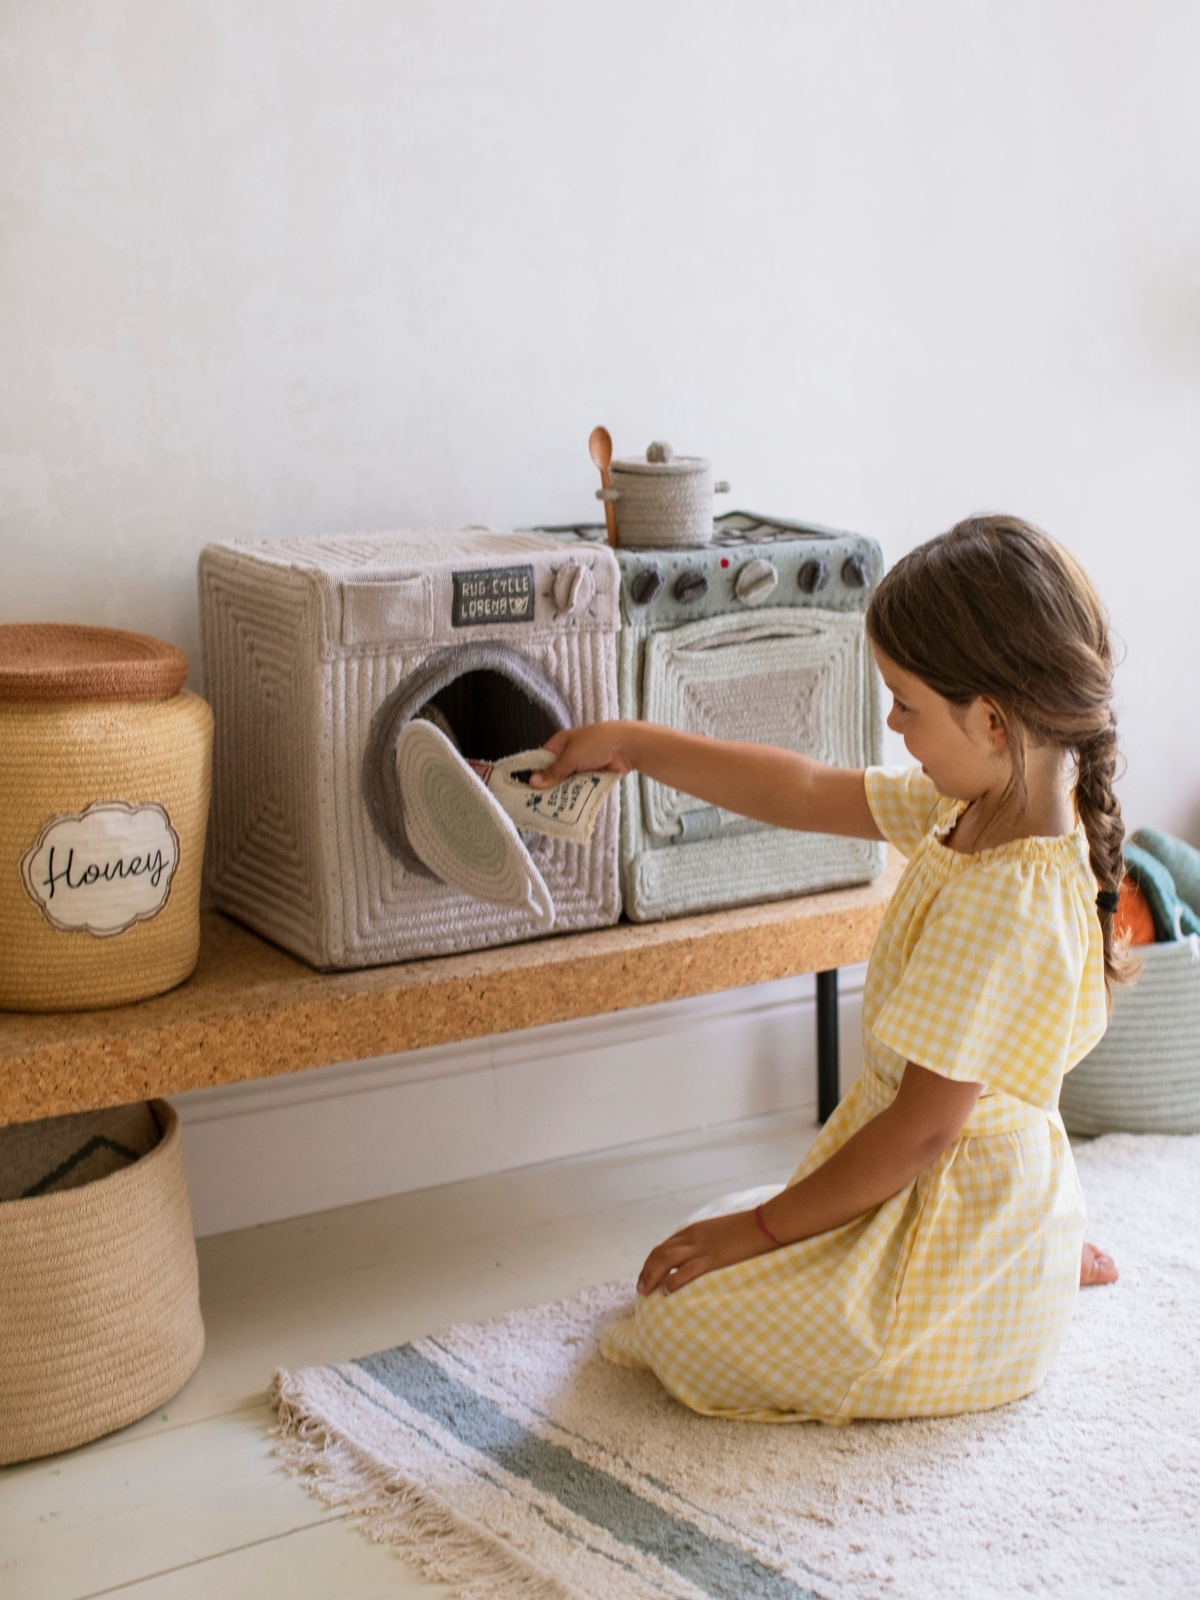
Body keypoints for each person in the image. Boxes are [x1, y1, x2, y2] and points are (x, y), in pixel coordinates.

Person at [528, 514, 1123, 1422]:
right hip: (944, 1174)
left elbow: (921, 1135)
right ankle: (1027, 1250)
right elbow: (802, 788)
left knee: (681, 1319)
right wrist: (636, 745)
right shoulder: (984, 801)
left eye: (906, 702)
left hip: (935, 1198)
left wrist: (751, 1235)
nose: (891, 722)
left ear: (994, 721)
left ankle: (1003, 1285)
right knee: (737, 1237)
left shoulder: (1005, 897)